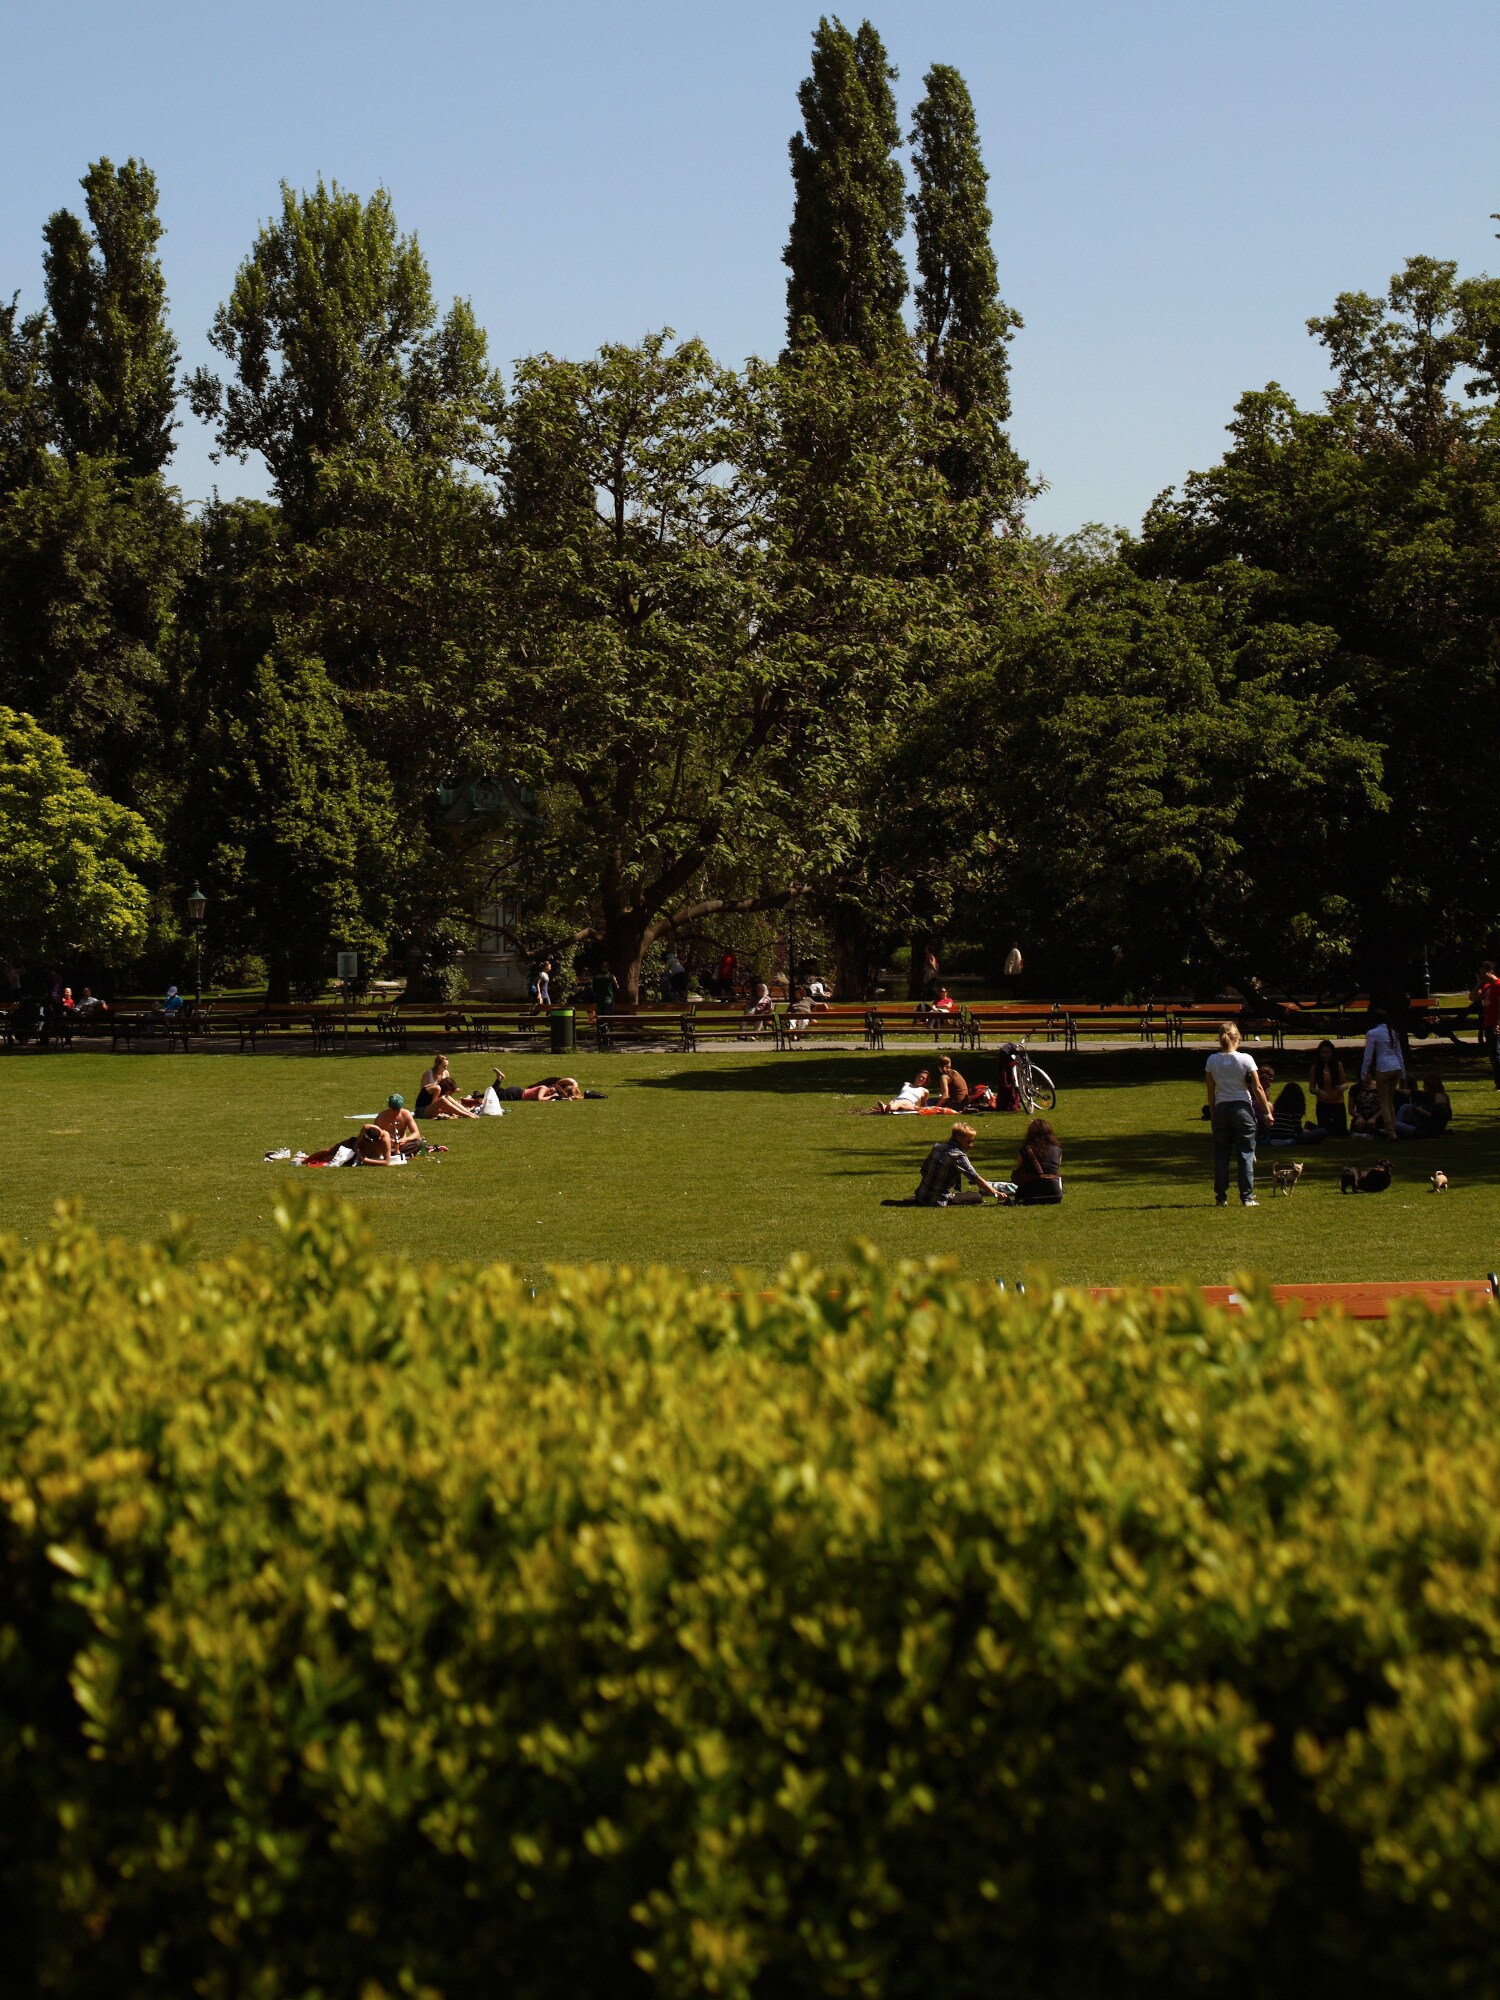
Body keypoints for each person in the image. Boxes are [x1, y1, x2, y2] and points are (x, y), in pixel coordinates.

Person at [1205, 1021, 1271, 1208]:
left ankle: (1221, 1197)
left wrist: (1213, 1113)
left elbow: (1211, 1092)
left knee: (1221, 1156)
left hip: (1221, 1108)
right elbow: (1257, 1088)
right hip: (1242, 1108)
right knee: (1245, 1154)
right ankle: (1247, 1197)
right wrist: (1267, 1112)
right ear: (1237, 1038)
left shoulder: (1212, 1061)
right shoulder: (1246, 1059)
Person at [908, 1121, 1001, 1206]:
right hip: (938, 1200)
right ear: (958, 1138)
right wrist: (995, 1192)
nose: (971, 1145)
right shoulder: (957, 1155)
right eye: (969, 1141)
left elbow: (924, 1170)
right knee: (977, 1196)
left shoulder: (937, 1147)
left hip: (921, 1195)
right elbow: (975, 1177)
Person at [1360, 1007, 1406, 1142]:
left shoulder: (1373, 1033)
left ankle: (1390, 1131)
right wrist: (1403, 1074)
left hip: (1383, 1068)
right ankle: (1393, 1129)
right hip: (1395, 1067)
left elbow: (1368, 1056)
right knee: (1390, 1099)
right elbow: (1399, 1054)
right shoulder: (1392, 1032)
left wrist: (1363, 1074)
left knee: (1384, 1101)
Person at [1011, 1118, 1064, 1204]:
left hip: (1030, 1195)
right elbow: (1056, 1170)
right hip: (1055, 1195)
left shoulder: (1025, 1150)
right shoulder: (1057, 1150)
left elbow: (1018, 1169)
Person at [1266, 1080, 1326, 1146]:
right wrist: (1307, 1132)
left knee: (1310, 1126)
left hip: (1273, 1139)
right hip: (1289, 1139)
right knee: (1322, 1131)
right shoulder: (1295, 1108)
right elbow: (1298, 1131)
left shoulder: (1277, 1106)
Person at [1309, 1041, 1347, 1136]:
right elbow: (1311, 1088)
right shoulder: (1315, 1067)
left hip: (1338, 1103)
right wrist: (1319, 1092)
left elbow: (1345, 1084)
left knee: (1341, 1132)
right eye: (1323, 1053)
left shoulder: (1338, 1065)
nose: (1325, 1055)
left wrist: (1342, 1087)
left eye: (1328, 1052)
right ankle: (1310, 1126)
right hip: (1323, 1104)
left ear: (1332, 1052)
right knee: (1325, 1132)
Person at [1396, 1074, 1452, 1140]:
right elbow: (1413, 1093)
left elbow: (1435, 1117)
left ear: (1430, 1085)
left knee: (1392, 1124)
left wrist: (1419, 1110)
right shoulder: (1430, 1095)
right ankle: (1394, 1132)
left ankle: (1393, 1133)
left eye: (1424, 1084)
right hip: (1424, 1126)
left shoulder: (1438, 1097)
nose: (1423, 1086)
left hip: (1426, 1131)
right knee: (1406, 1106)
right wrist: (1396, 1090)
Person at [1474, 961, 1500, 1089]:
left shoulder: (1498, 985)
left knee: (1496, 1053)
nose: (1482, 975)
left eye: (1484, 973)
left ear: (1491, 971)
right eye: (1480, 973)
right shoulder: (1487, 987)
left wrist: (1497, 1023)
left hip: (1495, 1024)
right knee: (1492, 1053)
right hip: (1488, 1023)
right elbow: (1473, 997)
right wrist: (1479, 983)